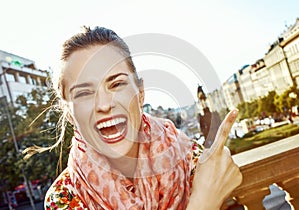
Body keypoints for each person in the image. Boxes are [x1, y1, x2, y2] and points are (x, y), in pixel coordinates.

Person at [34, 26, 242, 209]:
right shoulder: (64, 199)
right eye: (84, 93)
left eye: (116, 84)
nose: (104, 104)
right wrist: (202, 204)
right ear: (69, 112)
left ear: (140, 93)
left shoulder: (189, 158)